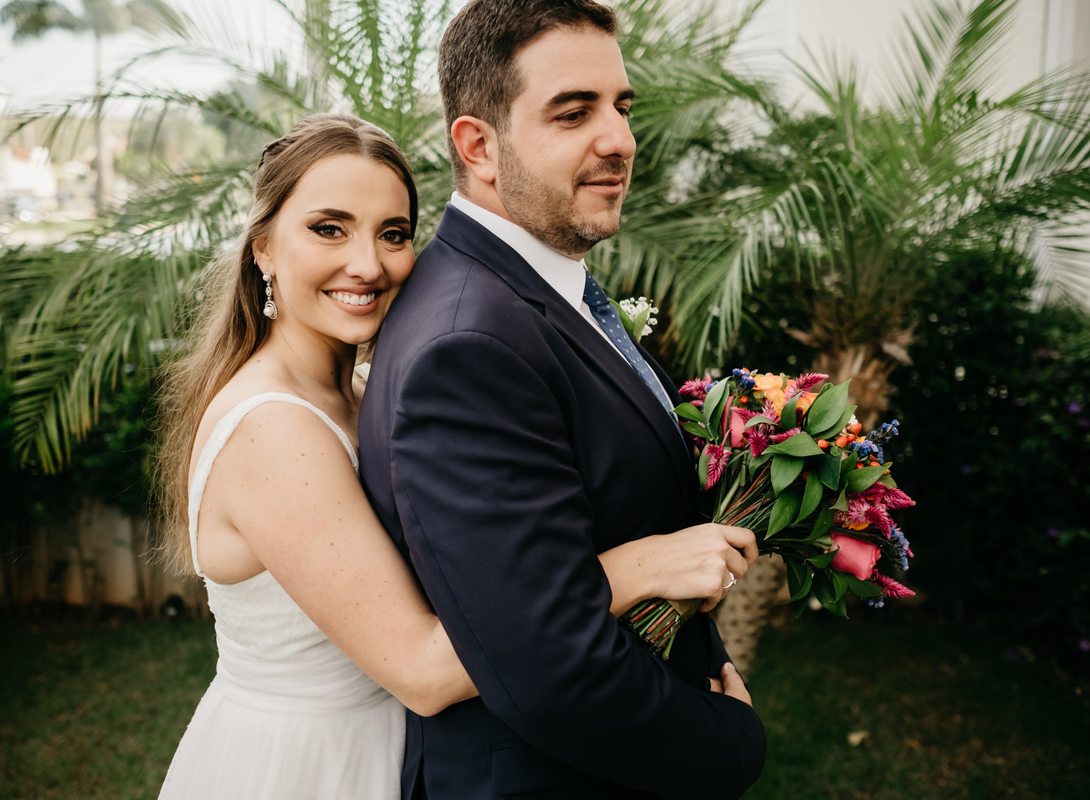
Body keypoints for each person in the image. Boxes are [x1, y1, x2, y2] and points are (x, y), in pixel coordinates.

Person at [155, 113, 756, 799]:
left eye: (394, 234)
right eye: (329, 229)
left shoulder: (363, 387)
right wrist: (637, 568)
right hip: (314, 764)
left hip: (402, 749)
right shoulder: (272, 429)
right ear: (263, 247)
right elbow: (423, 668)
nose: (368, 264)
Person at [358, 2, 768, 799]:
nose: (619, 140)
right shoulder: (467, 349)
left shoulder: (533, 287)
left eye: (622, 107)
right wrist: (730, 742)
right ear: (478, 146)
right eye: (574, 113)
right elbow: (552, 666)